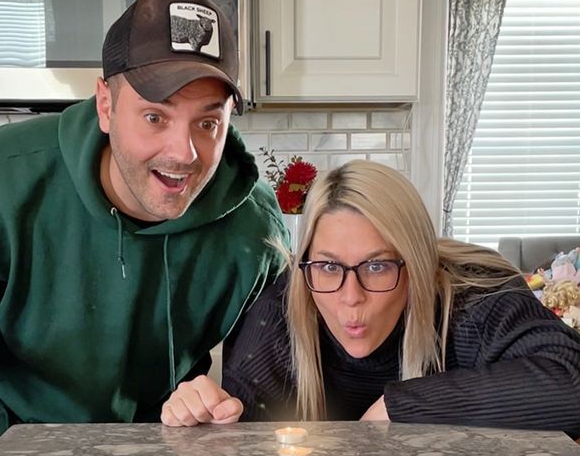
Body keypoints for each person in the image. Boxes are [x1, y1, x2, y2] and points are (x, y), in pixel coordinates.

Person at [0, 0, 287, 446]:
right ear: (106, 105)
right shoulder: (1, 180)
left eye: (208, 123)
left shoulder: (255, 226)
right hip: (22, 446)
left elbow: (267, 366)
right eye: (155, 117)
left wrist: (220, 404)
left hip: (170, 444)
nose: (184, 154)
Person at [161, 160, 580, 436]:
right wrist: (202, 413)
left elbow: (570, 384)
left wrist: (400, 408)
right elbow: (244, 433)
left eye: (377, 266)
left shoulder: (475, 297)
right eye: (328, 266)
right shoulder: (284, 306)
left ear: (416, 264)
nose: (350, 298)